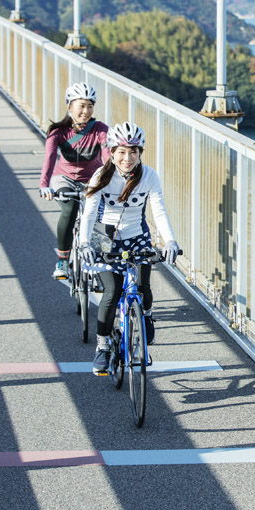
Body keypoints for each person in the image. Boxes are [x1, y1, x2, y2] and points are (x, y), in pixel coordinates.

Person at [77, 122, 180, 375]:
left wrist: (170, 241)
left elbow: (159, 210)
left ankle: (146, 314)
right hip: (105, 236)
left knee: (143, 286)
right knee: (111, 291)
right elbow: (90, 213)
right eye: (122, 151)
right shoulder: (101, 176)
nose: (128, 158)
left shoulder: (149, 176)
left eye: (133, 151)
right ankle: (102, 347)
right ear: (112, 152)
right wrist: (84, 243)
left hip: (137, 235)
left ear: (140, 153)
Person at [38, 82, 110, 279]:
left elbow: (108, 158)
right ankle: (62, 259)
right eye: (81, 106)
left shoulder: (100, 129)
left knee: (100, 214)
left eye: (90, 106)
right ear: (70, 107)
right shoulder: (58, 131)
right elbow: (50, 159)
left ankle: (100, 256)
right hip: (64, 178)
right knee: (69, 209)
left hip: (91, 179)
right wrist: (44, 185)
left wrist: (112, 181)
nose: (86, 111)